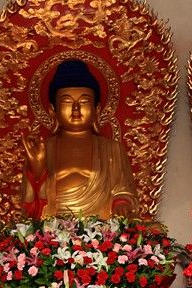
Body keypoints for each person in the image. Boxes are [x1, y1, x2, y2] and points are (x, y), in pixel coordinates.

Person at [21, 59, 139, 220]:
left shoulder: (112, 148)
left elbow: (124, 191)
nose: (76, 108)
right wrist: (37, 171)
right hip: (51, 236)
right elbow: (29, 211)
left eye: (84, 101)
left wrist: (121, 205)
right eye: (67, 101)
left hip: (103, 235)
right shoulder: (42, 149)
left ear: (97, 110)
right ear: (52, 110)